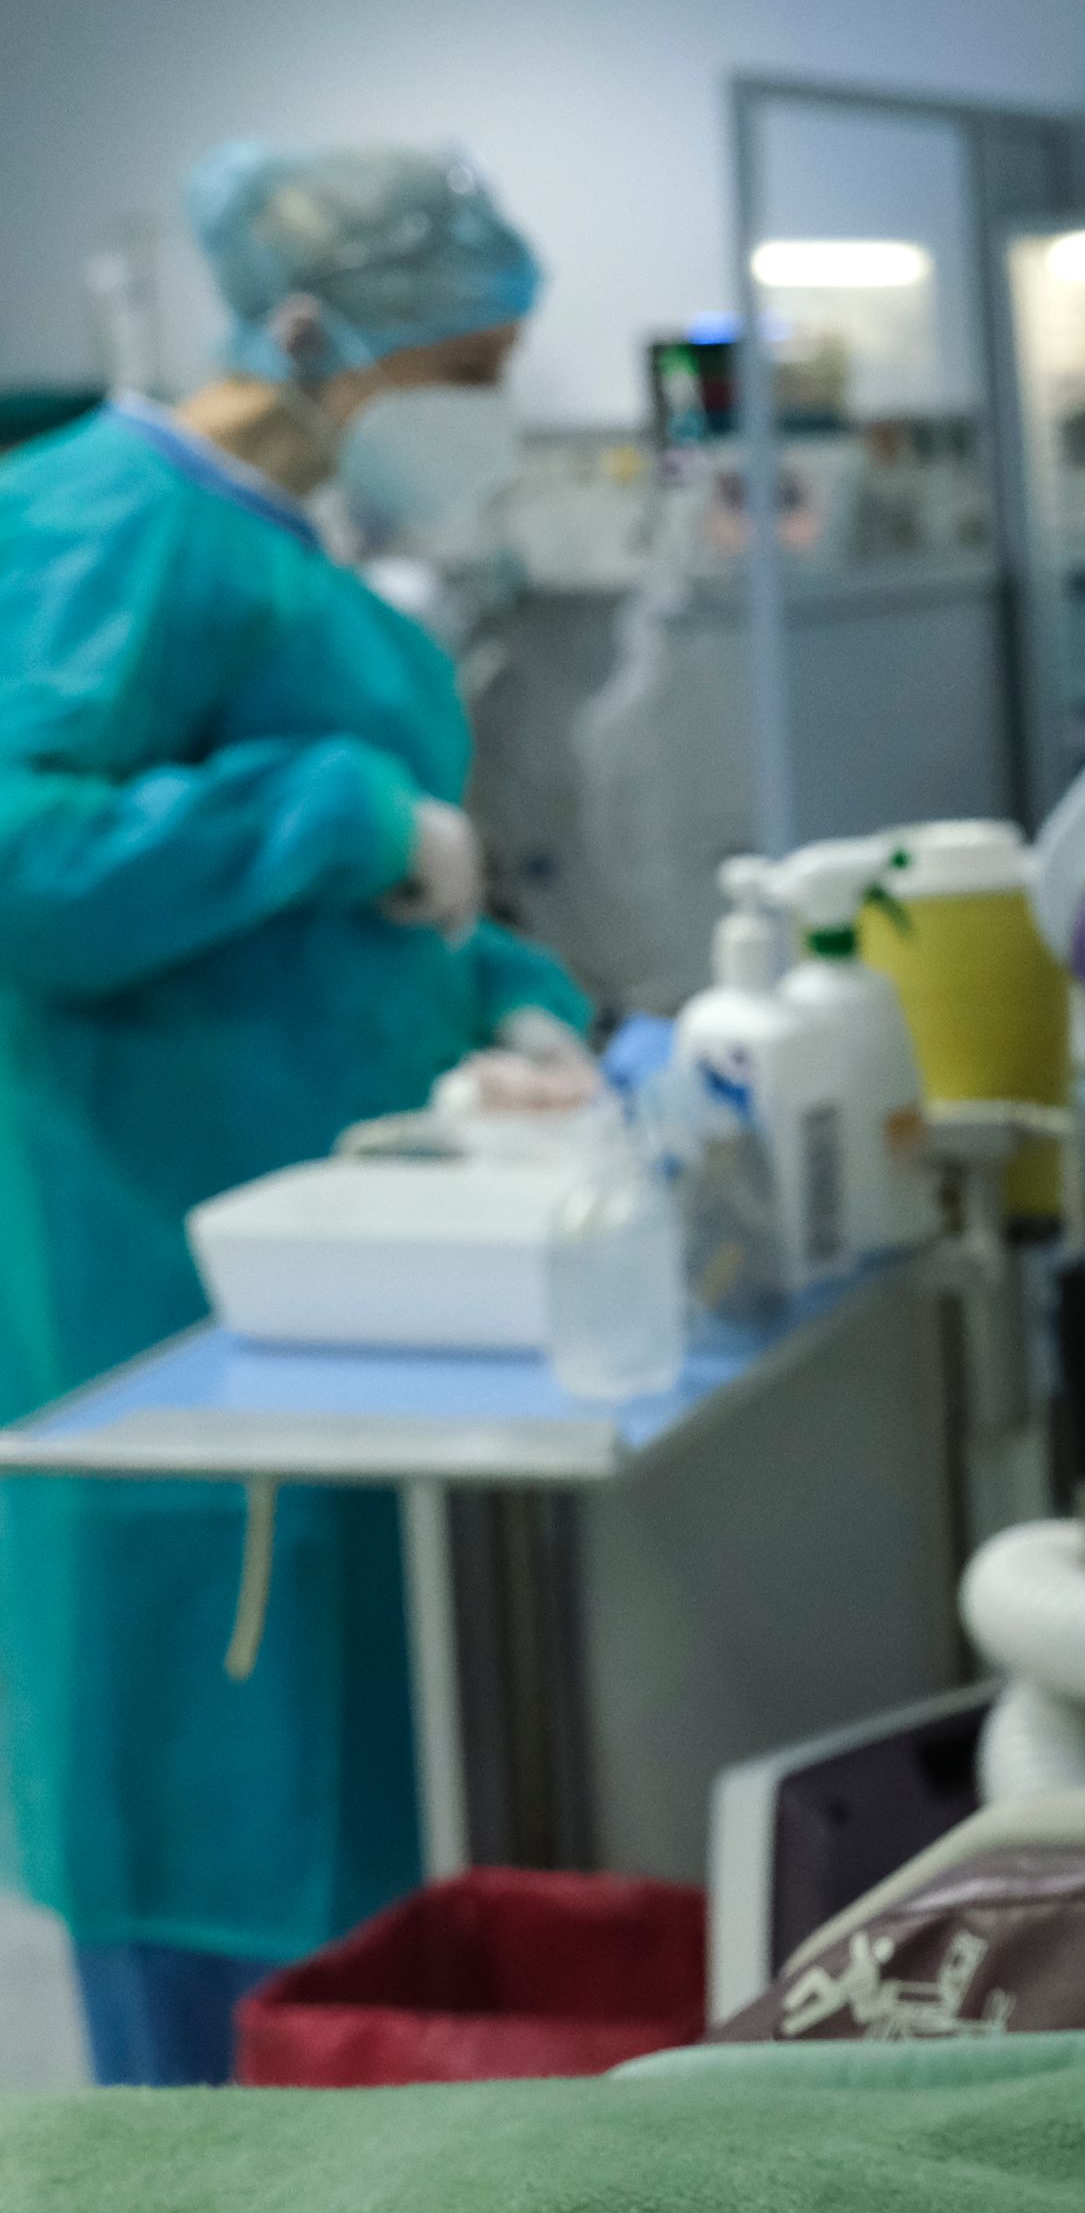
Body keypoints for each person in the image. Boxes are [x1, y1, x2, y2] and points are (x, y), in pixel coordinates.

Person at [0, 142, 586, 2080]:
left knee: (352, 1780)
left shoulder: (276, 543)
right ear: (326, 335)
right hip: (154, 1267)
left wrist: (518, 1013)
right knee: (203, 1764)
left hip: (333, 1269)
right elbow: (29, 856)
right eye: (471, 367)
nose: (489, 417)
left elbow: (402, 895)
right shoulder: (107, 521)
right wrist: (334, 813)